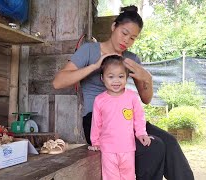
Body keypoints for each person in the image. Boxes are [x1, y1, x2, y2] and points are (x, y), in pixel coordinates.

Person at [52, 5, 194, 180]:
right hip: (100, 122)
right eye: (124, 33)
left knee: (169, 142)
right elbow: (58, 82)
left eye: (132, 38)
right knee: (154, 148)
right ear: (114, 26)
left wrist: (146, 78)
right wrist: (95, 66)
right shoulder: (89, 50)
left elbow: (146, 99)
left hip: (128, 119)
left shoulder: (131, 59)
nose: (126, 40)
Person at [89, 55, 151, 180]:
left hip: (127, 148)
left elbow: (138, 117)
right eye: (111, 77)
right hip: (108, 149)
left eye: (121, 76)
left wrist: (141, 134)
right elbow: (96, 123)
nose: (116, 81)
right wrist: (95, 142)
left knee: (128, 177)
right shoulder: (99, 100)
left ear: (127, 77)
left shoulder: (132, 97)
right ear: (102, 78)